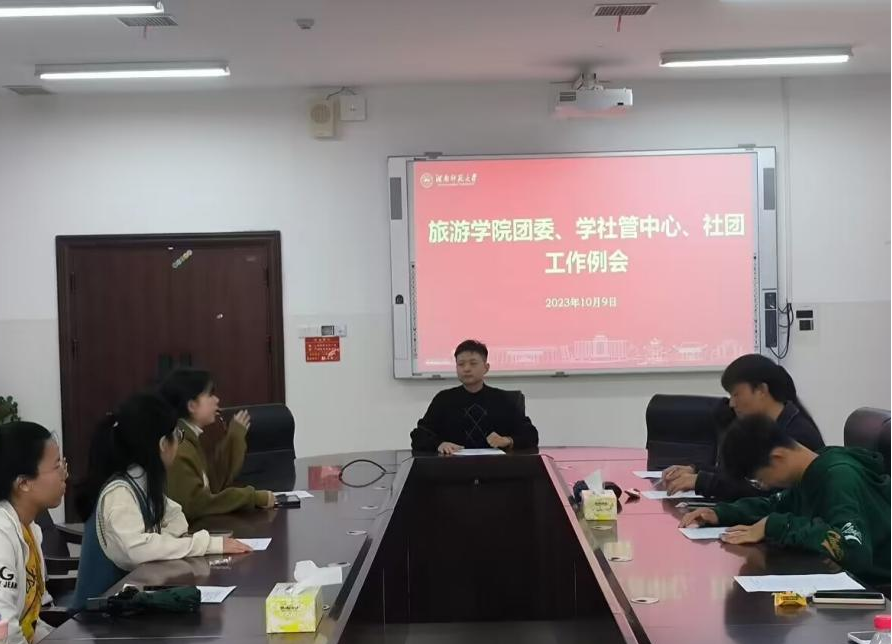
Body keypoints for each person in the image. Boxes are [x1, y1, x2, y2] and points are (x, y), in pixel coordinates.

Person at [72, 392, 251, 610]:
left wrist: (166, 542)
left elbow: (176, 521)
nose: (179, 442)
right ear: (163, 444)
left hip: (127, 608)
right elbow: (136, 550)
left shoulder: (143, 482)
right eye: (177, 435)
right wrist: (206, 544)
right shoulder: (119, 492)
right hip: (94, 619)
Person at [680, 414, 891, 584]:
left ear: (778, 457)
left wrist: (779, 525)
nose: (764, 486)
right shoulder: (811, 472)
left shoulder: (840, 477)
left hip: (875, 589)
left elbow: (854, 551)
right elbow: (775, 504)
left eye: (759, 480)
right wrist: (721, 513)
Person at [662, 354, 824, 500]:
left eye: (736, 394)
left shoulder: (798, 435)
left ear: (761, 390)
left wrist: (703, 481)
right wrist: (696, 470)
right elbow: (744, 474)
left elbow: (767, 492)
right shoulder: (764, 429)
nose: (731, 403)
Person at [159, 368, 274, 521]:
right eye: (210, 395)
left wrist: (234, 437)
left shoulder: (189, 438)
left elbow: (213, 485)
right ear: (192, 406)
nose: (217, 400)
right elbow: (196, 504)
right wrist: (251, 497)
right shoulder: (179, 447)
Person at [410, 340, 539, 455]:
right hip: (453, 468)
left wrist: (508, 440)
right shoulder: (444, 399)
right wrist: (439, 444)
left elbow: (531, 435)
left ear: (486, 368)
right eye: (461, 364)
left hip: (496, 468)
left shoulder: (504, 400)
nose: (466, 369)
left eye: (473, 363)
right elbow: (419, 435)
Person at [0, 422, 67, 644]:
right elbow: (4, 633)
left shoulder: (29, 529)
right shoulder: (2, 535)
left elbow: (30, 623)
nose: (64, 474)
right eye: (56, 466)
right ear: (24, 483)